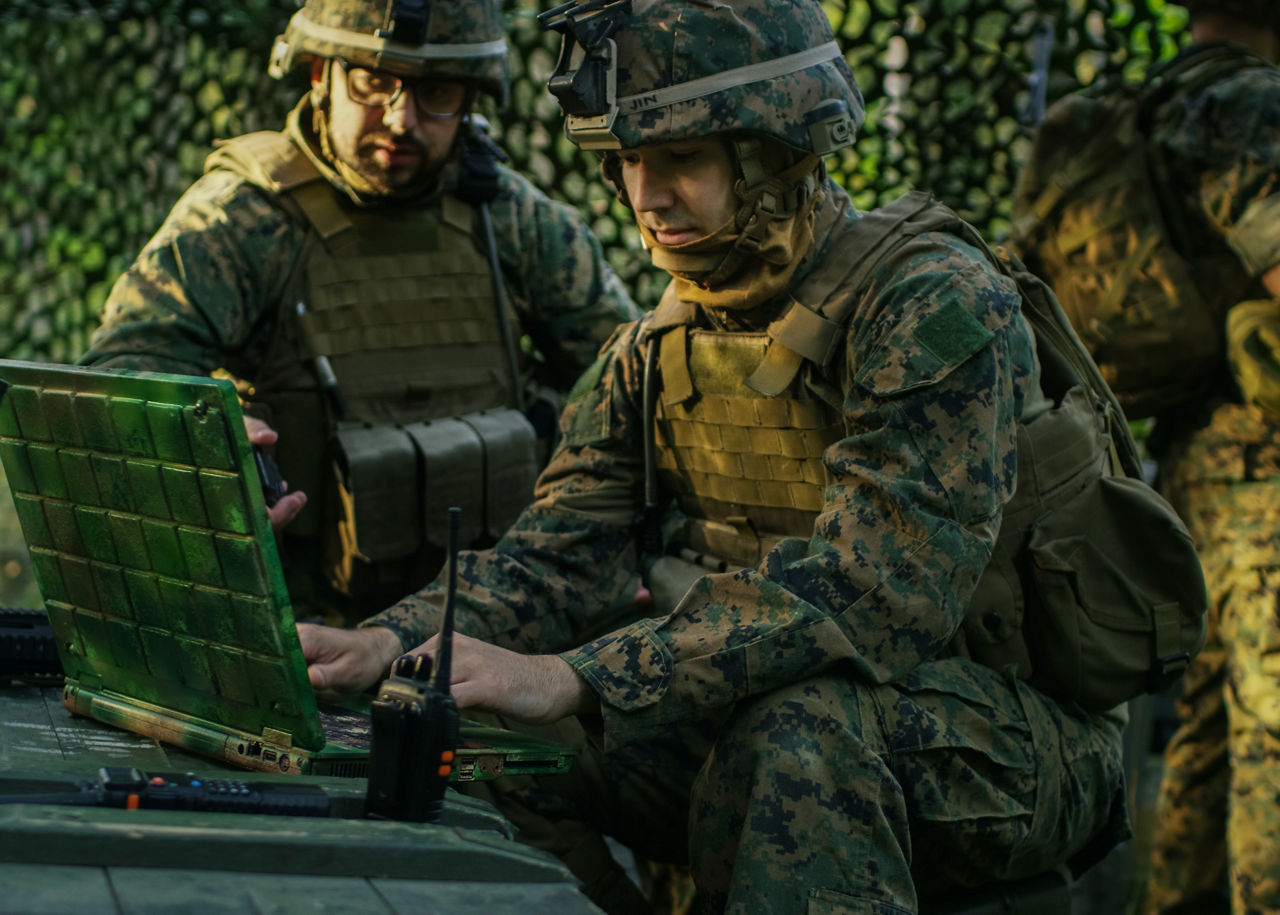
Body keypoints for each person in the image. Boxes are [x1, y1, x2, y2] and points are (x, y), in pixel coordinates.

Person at [298, 0, 1129, 910]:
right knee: (472, 733)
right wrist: (391, 641)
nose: (645, 196)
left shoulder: (930, 304)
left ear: (779, 150)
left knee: (800, 734)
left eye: (680, 158)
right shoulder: (659, 344)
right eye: (626, 162)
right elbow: (558, 557)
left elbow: (879, 593)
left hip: (1005, 738)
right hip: (763, 716)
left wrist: (580, 675)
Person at [78, 0, 640, 625]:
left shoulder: (510, 218)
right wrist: (201, 447)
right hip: (295, 626)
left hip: (487, 623)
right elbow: (124, 368)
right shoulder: (244, 217)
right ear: (321, 74)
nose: (401, 119)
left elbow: (628, 381)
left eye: (437, 91)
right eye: (374, 81)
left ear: (472, 99)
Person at [1013, 4, 1280, 912]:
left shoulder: (1147, 105)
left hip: (1198, 459)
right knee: (1273, 741)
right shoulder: (1252, 103)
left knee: (1207, 730)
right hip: (1267, 461)